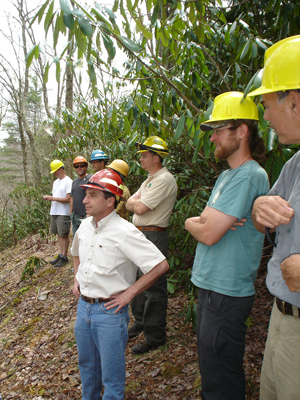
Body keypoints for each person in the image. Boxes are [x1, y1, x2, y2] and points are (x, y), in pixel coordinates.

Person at [185, 91, 269, 400]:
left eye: (219, 130)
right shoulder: (227, 177)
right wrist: (191, 222)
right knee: (211, 368)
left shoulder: (249, 176)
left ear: (242, 131)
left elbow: (208, 233)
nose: (212, 138)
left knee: (222, 374)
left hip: (227, 292)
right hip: (209, 286)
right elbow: (202, 223)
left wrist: (200, 225)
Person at [71, 169, 169, 400]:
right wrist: (77, 277)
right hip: (83, 308)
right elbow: (75, 253)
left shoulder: (125, 232)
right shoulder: (85, 226)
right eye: (86, 195)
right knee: (87, 367)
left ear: (110, 201)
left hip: (109, 312)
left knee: (112, 378)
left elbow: (160, 265)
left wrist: (128, 294)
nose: (84, 200)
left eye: (92, 195)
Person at [249, 35, 300, 400]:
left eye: (267, 104)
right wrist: (258, 210)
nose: (265, 116)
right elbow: (263, 215)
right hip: (282, 317)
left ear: (294, 102)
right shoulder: (295, 164)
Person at [126, 136, 177, 354]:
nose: (141, 160)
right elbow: (129, 203)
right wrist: (135, 203)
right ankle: (140, 323)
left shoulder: (164, 179)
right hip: (140, 235)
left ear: (156, 158)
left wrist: (136, 204)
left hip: (153, 236)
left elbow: (139, 208)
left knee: (153, 287)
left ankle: (155, 335)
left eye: (145, 156)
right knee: (137, 280)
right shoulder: (149, 180)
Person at [43, 159, 72, 268]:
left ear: (61, 169)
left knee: (63, 234)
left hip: (63, 212)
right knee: (59, 234)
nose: (55, 173)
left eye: (56, 171)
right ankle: (61, 254)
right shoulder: (55, 182)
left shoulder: (68, 181)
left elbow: (69, 199)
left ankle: (64, 256)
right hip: (54, 211)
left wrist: (52, 198)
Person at [70, 156, 92, 236]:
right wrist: (71, 213)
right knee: (76, 239)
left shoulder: (90, 179)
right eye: (77, 166)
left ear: (86, 166)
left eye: (81, 166)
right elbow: (72, 197)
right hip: (75, 216)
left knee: (86, 238)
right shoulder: (74, 182)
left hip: (86, 216)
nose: (79, 168)